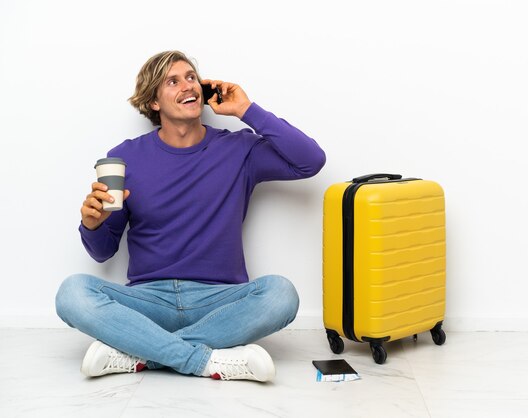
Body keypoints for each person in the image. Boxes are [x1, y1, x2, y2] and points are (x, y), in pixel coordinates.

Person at [55, 50, 326, 382]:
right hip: (149, 301)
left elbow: (310, 161)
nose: (189, 86)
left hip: (219, 301)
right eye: (173, 81)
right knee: (72, 293)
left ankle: (142, 354)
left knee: (282, 295)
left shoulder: (239, 149)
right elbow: (102, 252)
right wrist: (92, 225)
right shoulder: (124, 157)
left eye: (191, 77)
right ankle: (203, 360)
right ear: (153, 101)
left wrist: (245, 109)